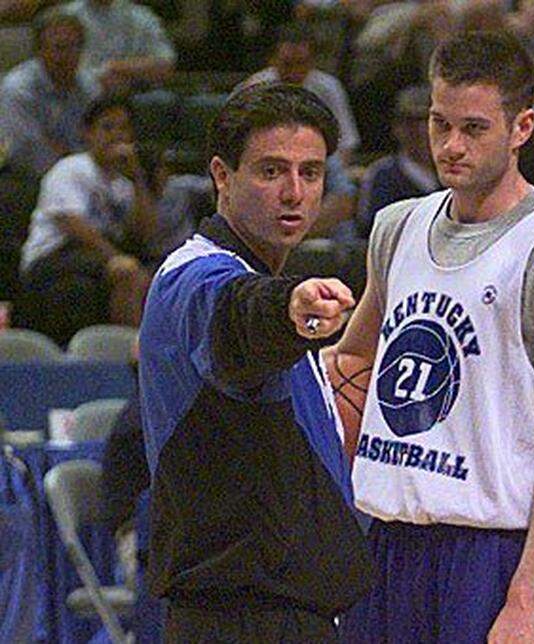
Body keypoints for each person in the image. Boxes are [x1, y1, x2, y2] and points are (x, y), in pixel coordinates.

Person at [332, 30, 534, 643]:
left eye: (474, 129)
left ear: (522, 128)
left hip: (494, 555)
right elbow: (352, 362)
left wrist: (528, 598)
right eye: (439, 124)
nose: (451, 146)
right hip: (388, 543)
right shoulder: (397, 226)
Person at [137, 82, 376, 641]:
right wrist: (289, 307)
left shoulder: (250, 276)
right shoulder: (194, 277)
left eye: (310, 173)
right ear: (222, 175)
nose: (294, 192)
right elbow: (239, 321)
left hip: (278, 610)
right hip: (240, 618)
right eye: (271, 171)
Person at [15, 95, 154, 346]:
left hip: (92, 257)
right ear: (88, 134)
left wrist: (138, 179)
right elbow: (72, 223)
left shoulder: (123, 184)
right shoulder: (72, 168)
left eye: (123, 128)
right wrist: (114, 257)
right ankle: (134, 355)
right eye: (108, 127)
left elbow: (145, 233)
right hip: (52, 257)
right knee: (127, 271)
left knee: (153, 276)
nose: (117, 135)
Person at [0, 7, 97, 178]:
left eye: (74, 47)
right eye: (59, 48)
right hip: (23, 177)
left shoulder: (88, 86)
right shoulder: (18, 89)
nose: (68, 55)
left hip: (81, 172)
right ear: (39, 51)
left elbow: (97, 139)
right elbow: (26, 152)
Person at [245, 22, 361, 164]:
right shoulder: (257, 86)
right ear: (273, 60)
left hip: (318, 161)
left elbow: (346, 142)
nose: (294, 72)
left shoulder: (329, 87)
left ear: (312, 62)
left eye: (300, 63)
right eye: (287, 64)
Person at [345, 84, 439, 242]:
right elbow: (371, 231)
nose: (421, 131)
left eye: (427, 122)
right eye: (411, 123)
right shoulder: (383, 176)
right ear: (397, 128)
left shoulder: (453, 173)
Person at [62, 0, 176, 94]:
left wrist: (117, 67)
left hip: (134, 95)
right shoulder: (67, 16)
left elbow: (166, 65)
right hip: (81, 96)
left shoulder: (141, 16)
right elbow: (56, 68)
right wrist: (97, 79)